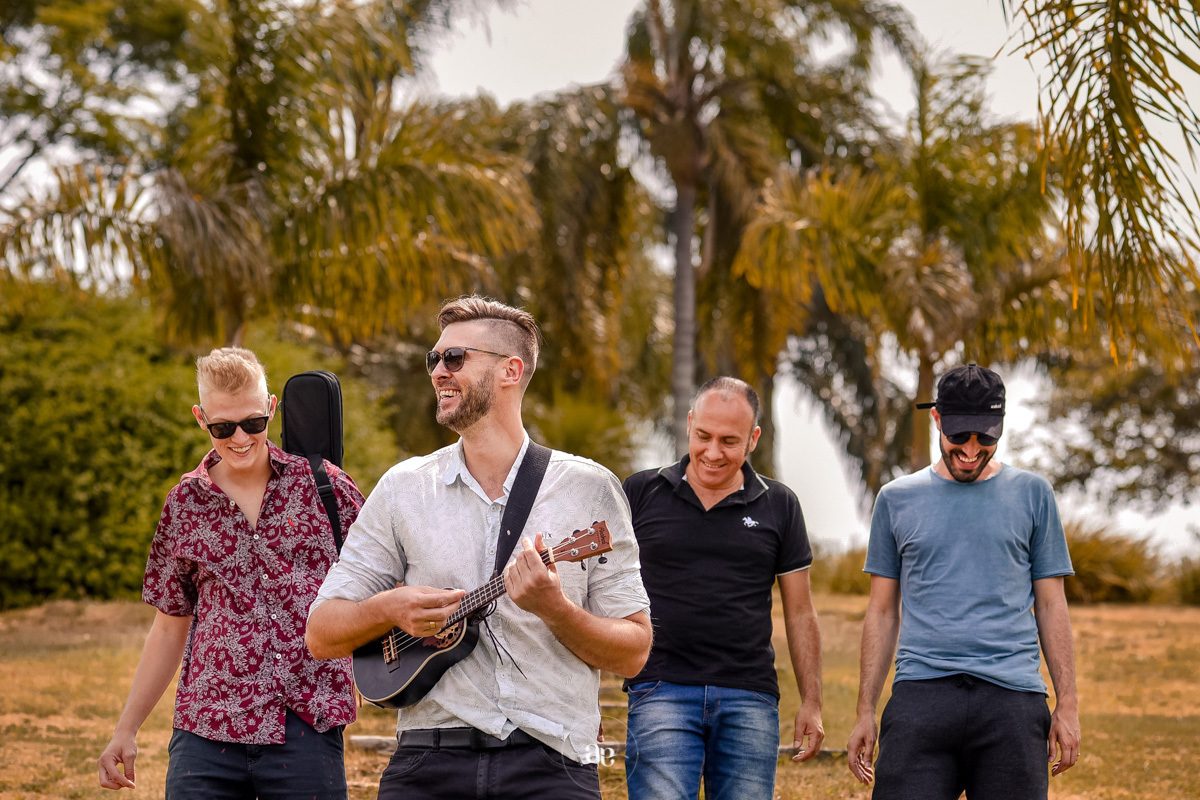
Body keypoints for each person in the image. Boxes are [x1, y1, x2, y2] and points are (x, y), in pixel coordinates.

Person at [305, 295, 653, 800]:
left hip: (552, 762)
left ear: (510, 370)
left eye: (454, 358)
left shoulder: (589, 490)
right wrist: (390, 607)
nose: (438, 372)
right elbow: (321, 633)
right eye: (434, 359)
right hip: (427, 758)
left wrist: (555, 609)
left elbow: (635, 652)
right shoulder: (404, 488)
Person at [97, 347, 364, 798]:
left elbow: (380, 584)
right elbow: (168, 628)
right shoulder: (184, 504)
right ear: (201, 418)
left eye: (253, 423)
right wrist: (126, 729)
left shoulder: (327, 489)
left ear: (271, 409)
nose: (240, 438)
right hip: (206, 729)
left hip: (306, 725)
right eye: (223, 427)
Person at [847, 363, 1081, 800]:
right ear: (936, 420)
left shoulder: (1034, 494)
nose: (971, 449)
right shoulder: (896, 500)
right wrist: (865, 710)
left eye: (986, 437)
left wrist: (1066, 703)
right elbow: (881, 611)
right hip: (922, 695)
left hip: (1012, 699)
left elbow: (1051, 605)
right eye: (959, 436)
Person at [621, 376, 824, 800]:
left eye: (729, 441)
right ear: (690, 424)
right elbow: (600, 595)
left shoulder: (780, 505)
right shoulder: (640, 493)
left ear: (753, 439)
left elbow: (801, 612)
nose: (713, 453)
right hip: (659, 688)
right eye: (703, 436)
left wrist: (812, 702)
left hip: (749, 696)